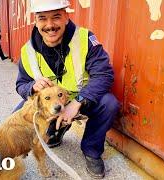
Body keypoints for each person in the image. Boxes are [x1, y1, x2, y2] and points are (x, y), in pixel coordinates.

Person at [15, 0, 120, 178]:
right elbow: (21, 84)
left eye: (56, 17)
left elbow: (104, 74)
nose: (49, 25)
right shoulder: (27, 51)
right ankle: (55, 131)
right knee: (16, 118)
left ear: (66, 16)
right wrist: (31, 87)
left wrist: (77, 102)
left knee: (109, 104)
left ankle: (92, 151)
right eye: (42, 19)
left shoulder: (85, 39)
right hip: (50, 105)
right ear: (36, 21)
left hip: (82, 99)